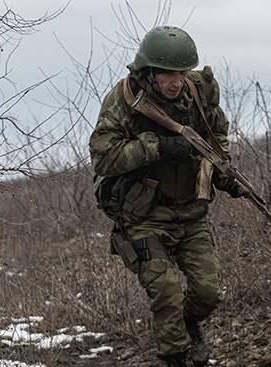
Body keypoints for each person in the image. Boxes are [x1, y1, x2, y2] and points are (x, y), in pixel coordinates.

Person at [89, 25, 247, 367]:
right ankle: (175, 356)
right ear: (149, 73)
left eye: (180, 73)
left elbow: (216, 130)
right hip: (144, 215)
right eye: (166, 75)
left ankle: (190, 326)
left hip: (190, 212)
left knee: (208, 294)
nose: (175, 82)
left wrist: (221, 170)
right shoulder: (124, 100)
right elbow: (103, 157)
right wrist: (157, 146)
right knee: (167, 294)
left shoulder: (198, 93)